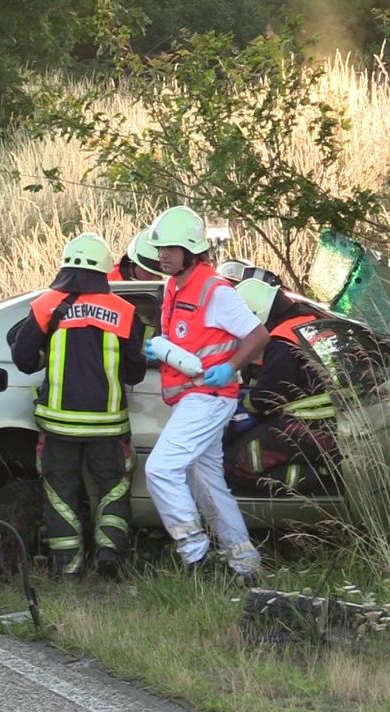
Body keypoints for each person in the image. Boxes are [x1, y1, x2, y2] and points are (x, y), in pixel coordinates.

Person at [143, 206, 269, 581]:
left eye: (171, 248)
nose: (163, 254)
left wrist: (229, 368)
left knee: (160, 469)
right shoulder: (173, 287)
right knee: (208, 485)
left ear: (191, 250)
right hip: (193, 397)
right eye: (160, 247)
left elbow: (258, 335)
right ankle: (245, 565)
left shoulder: (216, 290)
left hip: (210, 397)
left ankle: (196, 556)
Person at [11, 233, 146, 578]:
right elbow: (137, 371)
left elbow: (24, 360)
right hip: (108, 424)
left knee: (60, 492)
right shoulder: (126, 312)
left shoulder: (47, 305)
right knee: (113, 488)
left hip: (59, 426)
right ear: (104, 270)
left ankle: (68, 566)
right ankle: (109, 556)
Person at [228, 275, 339, 493]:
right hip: (336, 423)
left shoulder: (281, 342)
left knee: (235, 461)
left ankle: (316, 480)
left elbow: (270, 393)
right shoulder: (308, 322)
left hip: (306, 424)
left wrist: (246, 403)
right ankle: (323, 472)